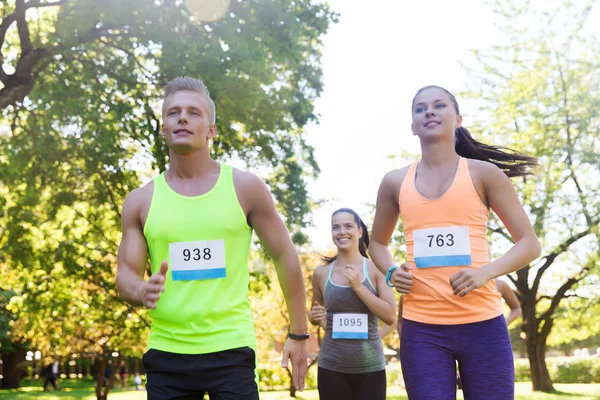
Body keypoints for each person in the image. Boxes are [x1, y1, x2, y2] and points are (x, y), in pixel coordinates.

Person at [115, 77, 308, 399]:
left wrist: (299, 333)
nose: (182, 118)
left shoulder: (246, 188)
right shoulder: (140, 201)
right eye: (173, 112)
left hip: (231, 349)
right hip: (167, 351)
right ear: (163, 129)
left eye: (194, 112)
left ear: (212, 129)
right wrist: (140, 289)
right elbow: (125, 274)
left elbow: (284, 255)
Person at [369, 85, 541, 399]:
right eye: (420, 109)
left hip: (484, 324)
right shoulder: (394, 181)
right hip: (422, 329)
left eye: (439, 106)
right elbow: (376, 245)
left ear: (458, 119)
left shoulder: (483, 173)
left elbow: (529, 243)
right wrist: (393, 273)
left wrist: (486, 272)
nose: (429, 112)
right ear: (412, 126)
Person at [308, 208, 396, 400]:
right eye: (336, 227)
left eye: (348, 226)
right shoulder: (321, 273)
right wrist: (314, 318)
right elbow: (315, 313)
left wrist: (359, 287)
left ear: (360, 231)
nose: (342, 232)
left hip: (371, 369)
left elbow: (390, 316)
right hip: (331, 367)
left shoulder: (376, 269)